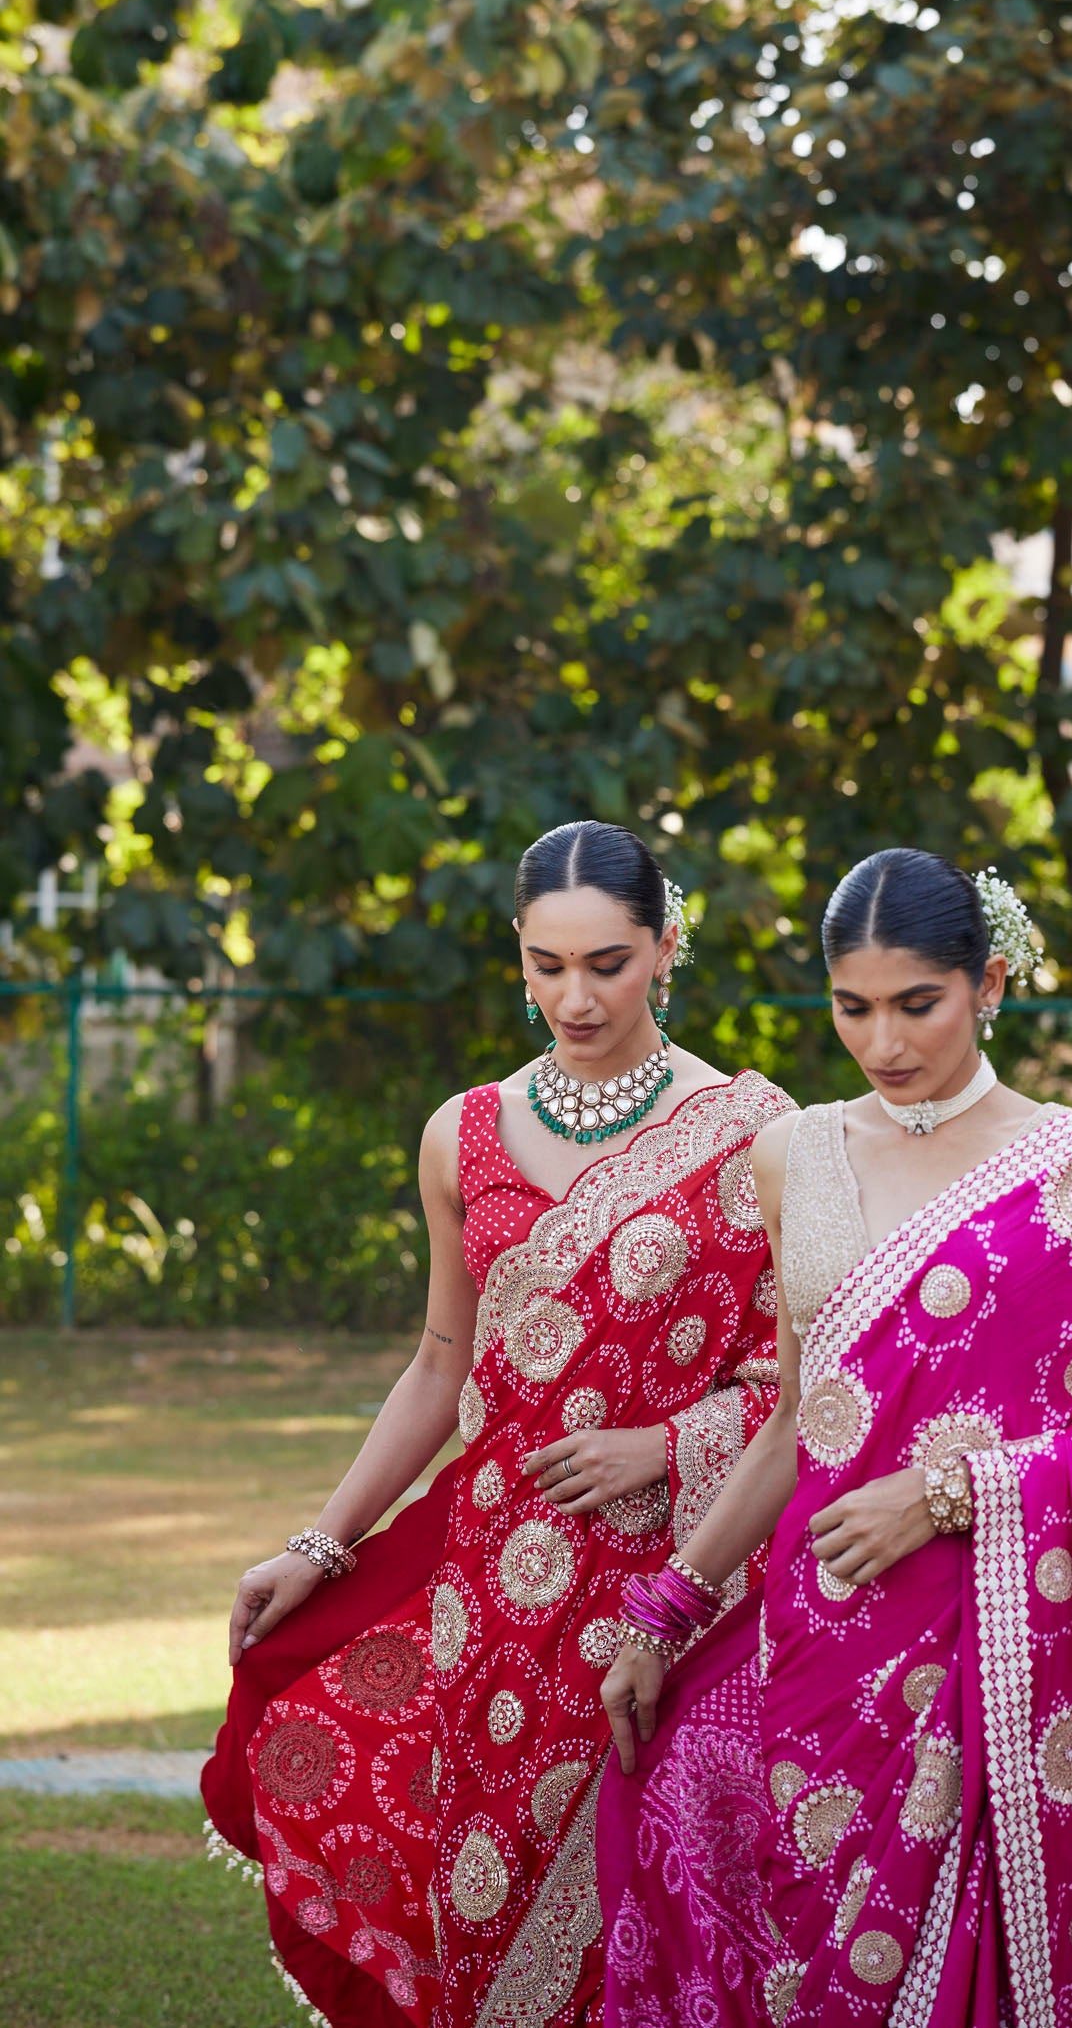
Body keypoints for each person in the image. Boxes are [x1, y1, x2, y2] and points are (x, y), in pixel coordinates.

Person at [598, 849, 1072, 2028]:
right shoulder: (795, 1152)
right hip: (821, 1623)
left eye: (915, 1002)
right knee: (792, 1931)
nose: (882, 1041)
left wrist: (940, 1495)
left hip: (986, 1637)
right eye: (852, 1006)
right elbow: (796, 1415)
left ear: (988, 983)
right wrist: (665, 1610)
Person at [201, 820, 792, 2028]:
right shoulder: (461, 1131)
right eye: (546, 963)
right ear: (517, 953)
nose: (575, 998)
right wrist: (319, 1542)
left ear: (665, 946)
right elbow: (438, 1360)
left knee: (652, 1900)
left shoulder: (755, 1133)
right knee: (480, 1878)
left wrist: (663, 1444)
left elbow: (800, 1380)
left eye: (608, 963)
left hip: (674, 1577)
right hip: (492, 1590)